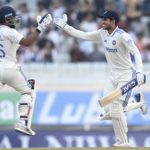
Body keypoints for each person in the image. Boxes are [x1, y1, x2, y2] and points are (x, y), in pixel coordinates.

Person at [53, 11, 147, 147]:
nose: (103, 22)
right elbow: (83, 35)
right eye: (102, 19)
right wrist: (65, 26)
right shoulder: (102, 33)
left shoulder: (123, 36)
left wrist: (139, 72)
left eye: (106, 20)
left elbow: (136, 52)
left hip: (127, 75)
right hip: (113, 75)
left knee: (116, 109)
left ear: (114, 21)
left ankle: (123, 143)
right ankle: (138, 102)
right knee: (107, 111)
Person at [0, 6, 52, 135]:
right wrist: (41, 27)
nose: (13, 20)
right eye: (11, 18)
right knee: (28, 91)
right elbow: (27, 42)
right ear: (5, 19)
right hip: (9, 67)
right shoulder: (9, 31)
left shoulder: (9, 32)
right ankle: (22, 122)